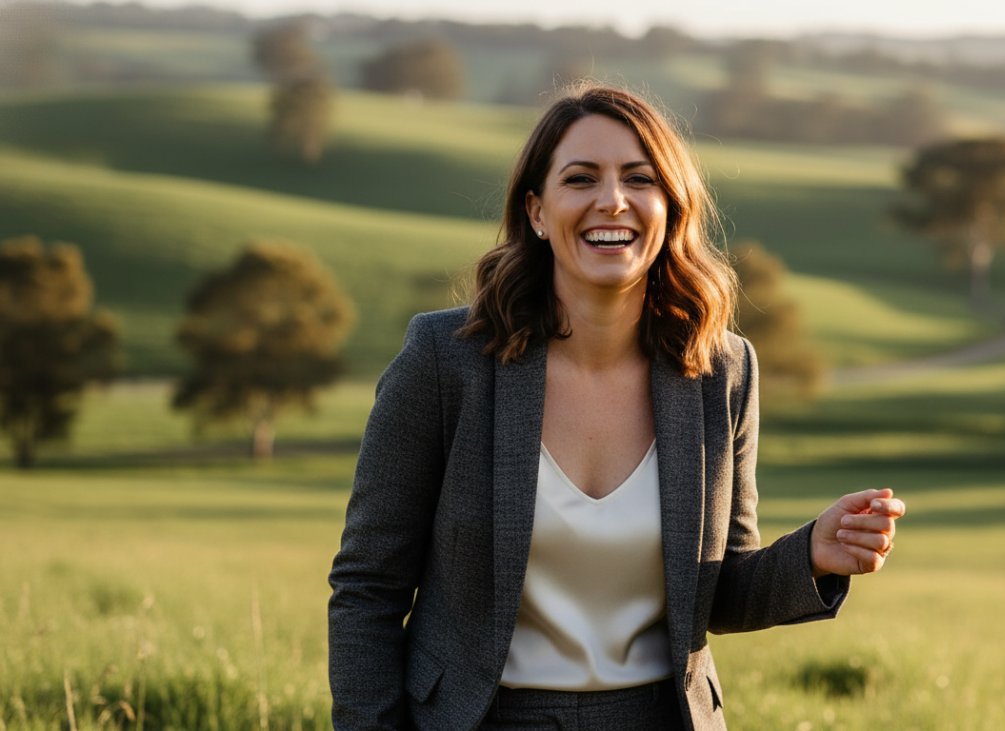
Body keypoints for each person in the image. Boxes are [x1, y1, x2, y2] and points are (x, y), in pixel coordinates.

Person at [327, 84, 906, 731]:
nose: (612, 200)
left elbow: (716, 589)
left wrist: (810, 555)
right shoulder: (444, 359)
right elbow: (367, 589)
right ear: (538, 211)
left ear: (669, 208)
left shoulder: (723, 369)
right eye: (580, 178)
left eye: (639, 178)